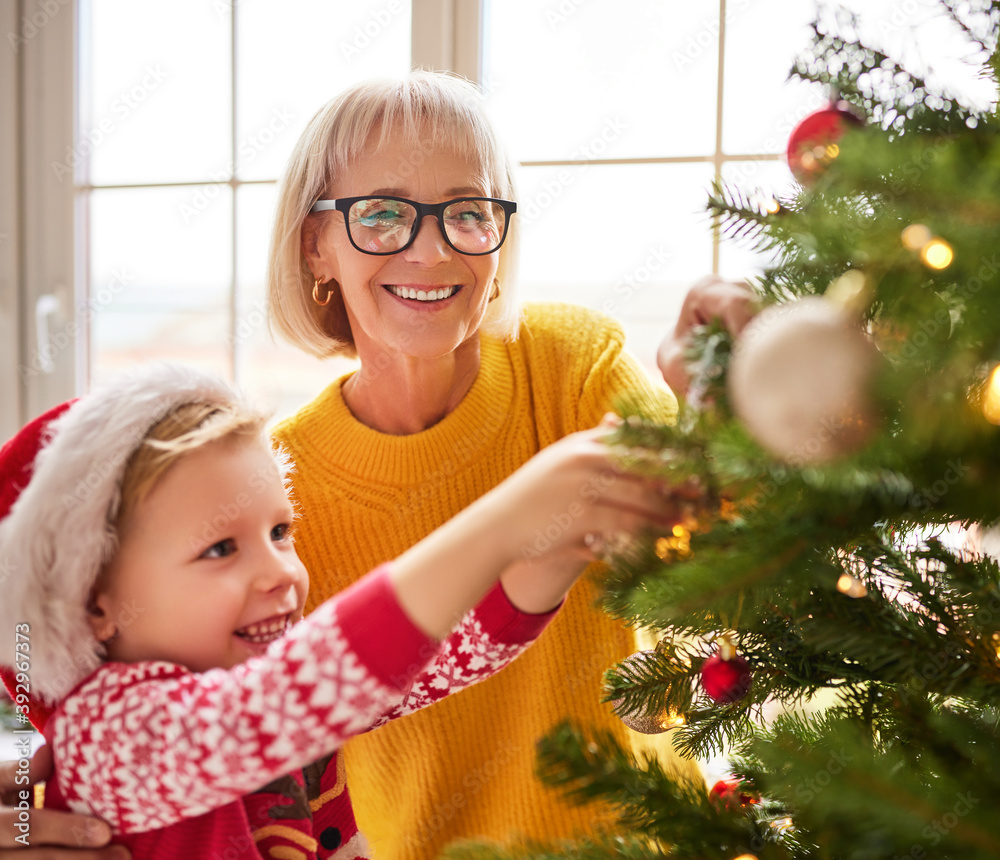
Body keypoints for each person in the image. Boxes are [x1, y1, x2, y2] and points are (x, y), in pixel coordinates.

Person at [262, 70, 754, 858]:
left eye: (467, 213)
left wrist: (714, 404)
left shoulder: (572, 365)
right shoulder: (273, 485)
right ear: (315, 245)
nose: (431, 250)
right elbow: (249, 743)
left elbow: (721, 556)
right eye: (383, 215)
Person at [0, 362, 674, 859]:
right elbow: (285, 696)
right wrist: (501, 521)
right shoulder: (108, 734)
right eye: (220, 549)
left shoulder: (272, 693)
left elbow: (441, 659)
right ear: (94, 606)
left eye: (280, 533)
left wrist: (560, 545)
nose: (279, 574)